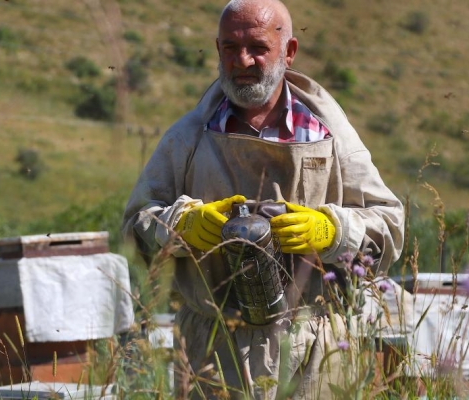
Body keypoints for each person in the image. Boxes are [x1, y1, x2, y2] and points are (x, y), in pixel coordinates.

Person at [122, 0, 404, 398]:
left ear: (288, 52)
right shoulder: (187, 137)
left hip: (315, 347)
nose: (243, 60)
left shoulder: (330, 135)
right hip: (212, 348)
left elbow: (390, 224)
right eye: (230, 47)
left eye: (257, 47)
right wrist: (181, 226)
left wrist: (331, 231)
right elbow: (134, 226)